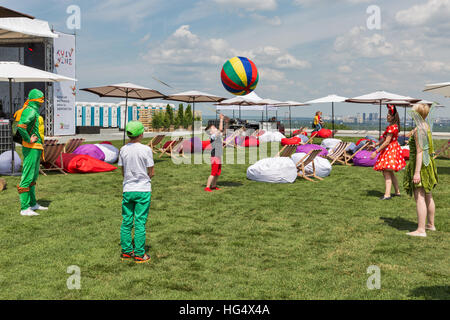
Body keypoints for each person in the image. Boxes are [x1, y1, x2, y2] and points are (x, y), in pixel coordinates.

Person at [118, 121, 154, 263]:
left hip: (128, 189)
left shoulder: (123, 149)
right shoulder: (146, 150)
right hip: (143, 189)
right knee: (140, 222)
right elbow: (151, 170)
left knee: (126, 221)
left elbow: (122, 170)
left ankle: (126, 251)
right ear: (141, 134)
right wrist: (147, 177)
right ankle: (139, 253)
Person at [403, 103, 438, 238]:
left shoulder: (419, 129)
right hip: (428, 164)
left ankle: (421, 230)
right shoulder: (426, 126)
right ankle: (430, 224)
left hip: (421, 166)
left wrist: (417, 173)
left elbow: (419, 152)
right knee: (428, 194)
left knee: (420, 196)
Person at [14, 89, 47, 216]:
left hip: (36, 147)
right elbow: (21, 126)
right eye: (40, 99)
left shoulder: (34, 111)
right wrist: (28, 139)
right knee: (27, 176)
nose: (42, 102)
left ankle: (32, 204)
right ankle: (24, 208)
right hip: (31, 147)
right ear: (35, 100)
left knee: (33, 177)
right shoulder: (30, 110)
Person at [370, 105, 406, 200]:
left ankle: (387, 195)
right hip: (394, 149)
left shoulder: (391, 127)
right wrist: (375, 144)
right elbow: (384, 139)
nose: (387, 116)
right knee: (390, 172)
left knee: (386, 172)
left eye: (389, 115)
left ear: (393, 117)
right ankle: (397, 192)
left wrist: (376, 151)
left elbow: (386, 141)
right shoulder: (394, 126)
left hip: (390, 150)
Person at [204, 113, 224, 192]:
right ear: (210, 132)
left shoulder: (216, 136)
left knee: (217, 173)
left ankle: (213, 186)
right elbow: (220, 129)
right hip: (215, 156)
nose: (215, 128)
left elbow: (221, 132)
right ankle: (207, 187)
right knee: (213, 173)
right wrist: (221, 119)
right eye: (213, 128)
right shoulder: (213, 136)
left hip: (218, 156)